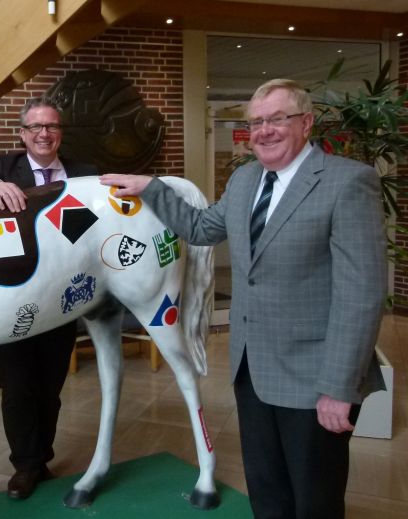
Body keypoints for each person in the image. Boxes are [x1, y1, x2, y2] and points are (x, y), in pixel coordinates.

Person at [101, 79, 387, 519]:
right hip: (252, 370)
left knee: (315, 500)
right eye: (255, 121)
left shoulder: (347, 182)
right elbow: (198, 228)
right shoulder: (245, 178)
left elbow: (361, 295)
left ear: (306, 123)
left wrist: (338, 386)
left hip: (315, 378)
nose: (263, 130)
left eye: (277, 118)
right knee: (267, 491)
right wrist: (151, 187)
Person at [0, 96, 97, 499]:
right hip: (16, 301)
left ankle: (41, 458)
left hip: (61, 300)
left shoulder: (83, 173)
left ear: (60, 133)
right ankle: (24, 465)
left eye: (52, 127)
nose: (44, 134)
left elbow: (93, 229)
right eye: (36, 127)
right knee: (18, 386)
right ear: (23, 134)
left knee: (50, 385)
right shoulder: (4, 166)